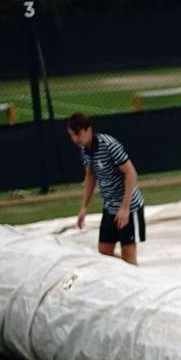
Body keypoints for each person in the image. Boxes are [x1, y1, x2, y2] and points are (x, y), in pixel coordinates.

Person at [66, 112, 144, 266]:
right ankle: (131, 272)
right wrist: (84, 207)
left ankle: (137, 276)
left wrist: (125, 208)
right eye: (72, 135)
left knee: (129, 258)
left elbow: (131, 173)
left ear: (88, 130)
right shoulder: (84, 150)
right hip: (109, 207)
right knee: (104, 255)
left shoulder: (109, 145)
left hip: (129, 207)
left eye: (78, 134)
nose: (76, 139)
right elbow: (90, 176)